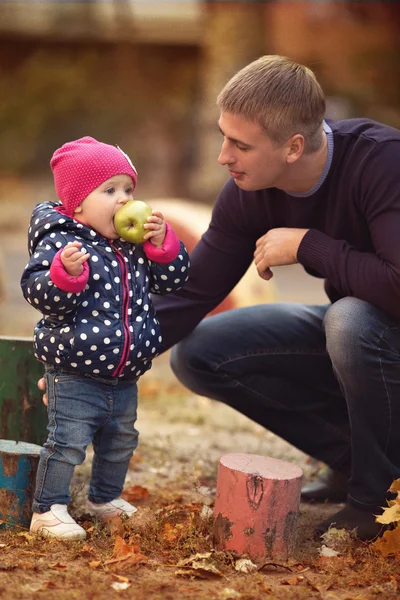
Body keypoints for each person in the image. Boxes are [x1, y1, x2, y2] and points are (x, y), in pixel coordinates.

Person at [152, 55, 400, 542]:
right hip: (365, 336)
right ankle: (358, 461)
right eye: (223, 136)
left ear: (294, 146)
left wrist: (310, 245)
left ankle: (379, 498)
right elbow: (191, 293)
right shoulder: (249, 190)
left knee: (349, 321)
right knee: (201, 352)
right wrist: (102, 359)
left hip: (377, 331)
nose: (224, 156)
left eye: (240, 144)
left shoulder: (383, 161)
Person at [22, 136, 189, 541]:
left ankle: (103, 498)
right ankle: (48, 509)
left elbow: (174, 282)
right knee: (68, 442)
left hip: (124, 371)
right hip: (74, 369)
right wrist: (64, 276)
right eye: (109, 190)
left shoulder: (131, 245)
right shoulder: (62, 241)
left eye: (128, 190)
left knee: (121, 439)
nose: (123, 199)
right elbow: (36, 290)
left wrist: (163, 247)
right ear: (77, 203)